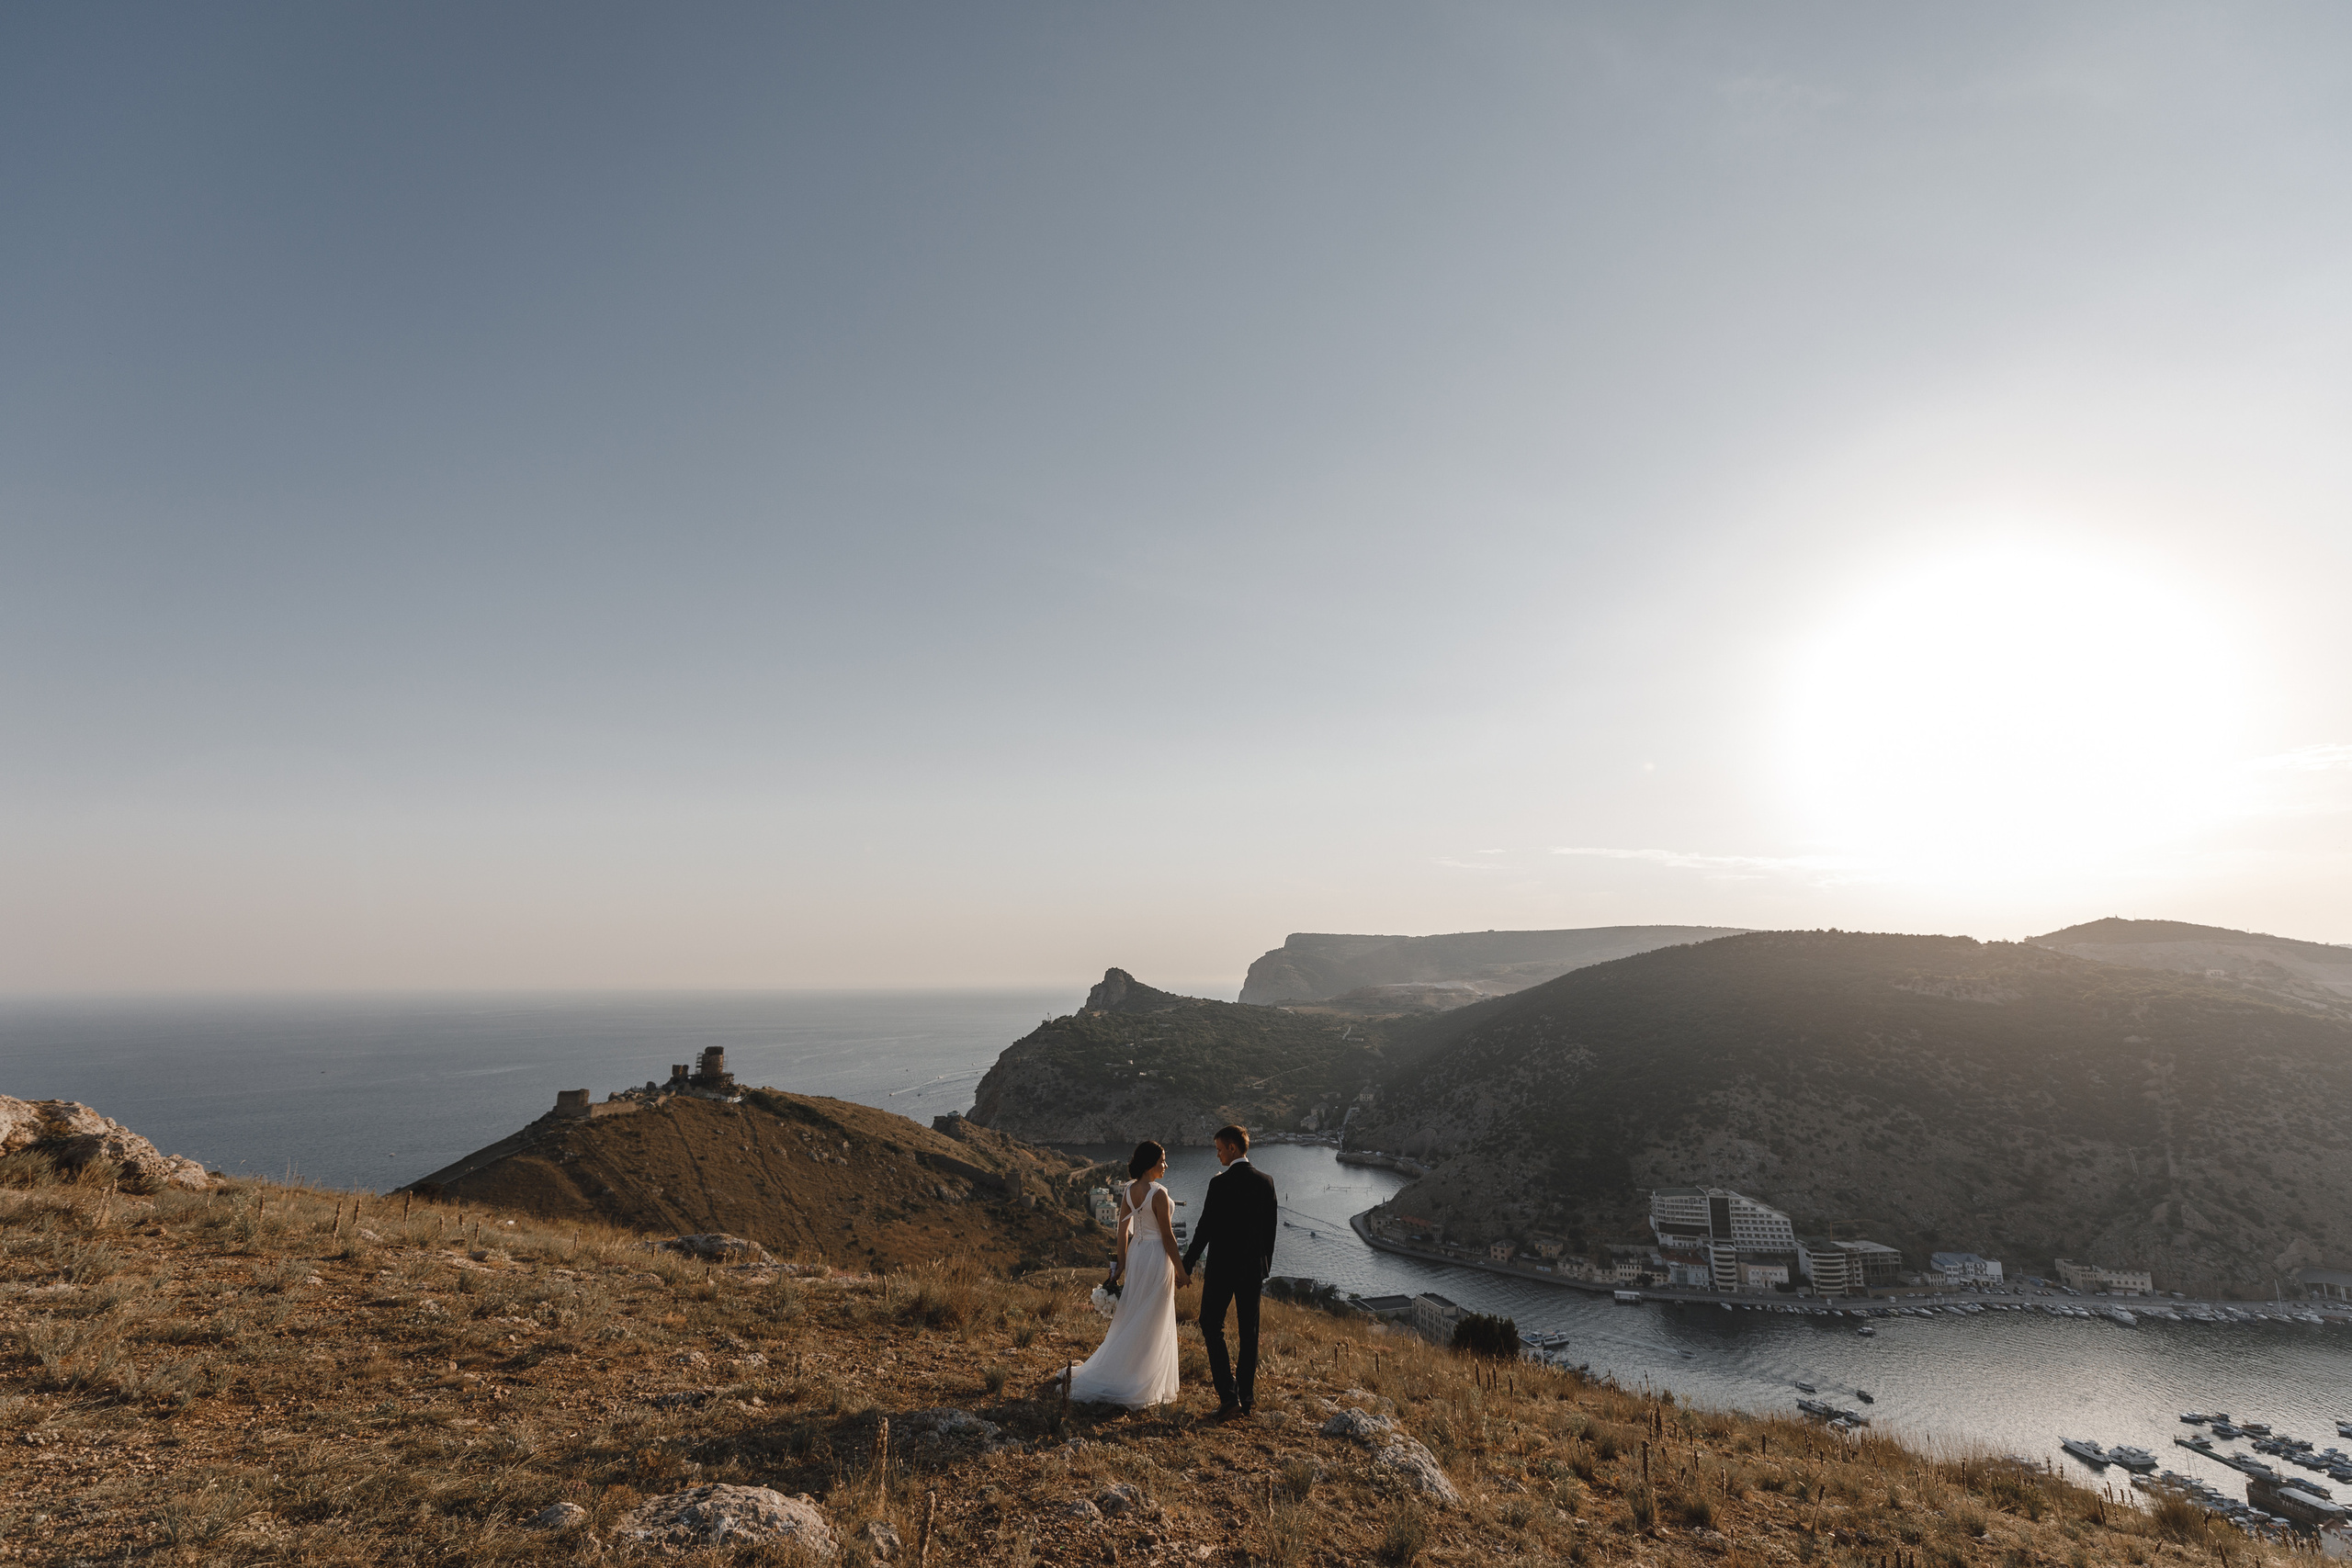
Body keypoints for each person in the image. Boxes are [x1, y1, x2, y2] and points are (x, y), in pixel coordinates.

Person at [1064, 1139, 1185, 1407]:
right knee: (1153, 1314)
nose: (1165, 1165)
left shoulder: (1129, 1190)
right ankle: (1140, 1375)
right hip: (1156, 1256)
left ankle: (1126, 1366)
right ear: (1151, 1164)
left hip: (1138, 1255)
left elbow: (1122, 1231)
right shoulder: (1159, 1193)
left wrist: (1121, 1263)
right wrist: (1181, 1271)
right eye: (1162, 1161)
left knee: (1136, 1309)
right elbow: (1168, 1237)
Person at [1182, 1123, 1277, 1420]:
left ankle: (1228, 1395)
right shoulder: (1266, 1182)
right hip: (1252, 1270)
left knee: (1211, 1324)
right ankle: (1245, 1400)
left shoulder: (1219, 1184)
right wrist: (1264, 1267)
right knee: (1249, 1334)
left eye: (1220, 1149)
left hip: (1221, 1269)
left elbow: (1204, 1229)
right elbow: (1270, 1231)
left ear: (1233, 1148)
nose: (1218, 1155)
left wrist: (1187, 1264)